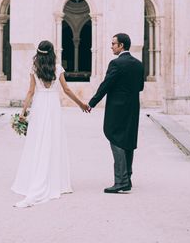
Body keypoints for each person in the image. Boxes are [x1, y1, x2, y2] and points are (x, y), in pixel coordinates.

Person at [11, 40, 90, 208]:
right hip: (53, 106)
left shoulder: (34, 69)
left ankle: (33, 177)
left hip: (40, 105)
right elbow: (67, 90)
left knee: (37, 139)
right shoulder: (58, 67)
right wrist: (81, 104)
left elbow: (30, 92)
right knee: (53, 139)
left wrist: (23, 112)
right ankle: (56, 180)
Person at [88, 33, 144, 193]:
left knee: (116, 138)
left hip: (117, 108)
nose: (111, 46)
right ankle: (128, 178)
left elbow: (106, 85)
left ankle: (121, 181)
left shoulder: (116, 63)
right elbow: (140, 87)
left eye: (113, 44)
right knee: (128, 140)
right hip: (133, 107)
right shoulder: (139, 64)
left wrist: (92, 103)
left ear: (121, 46)